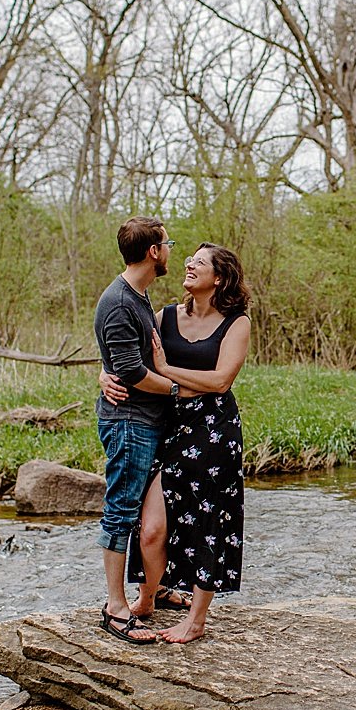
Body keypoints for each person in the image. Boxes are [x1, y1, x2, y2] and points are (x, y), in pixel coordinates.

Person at [101, 242, 251, 644]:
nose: (188, 263)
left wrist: (166, 369)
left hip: (213, 431)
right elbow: (126, 354)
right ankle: (148, 596)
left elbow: (221, 381)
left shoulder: (236, 323)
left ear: (218, 278)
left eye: (198, 262)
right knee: (149, 529)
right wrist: (105, 374)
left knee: (207, 523)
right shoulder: (164, 315)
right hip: (166, 426)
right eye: (188, 259)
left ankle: (197, 619)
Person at [91, 216, 180, 645]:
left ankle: (152, 588)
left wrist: (104, 371)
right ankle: (114, 607)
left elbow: (117, 361)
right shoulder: (120, 301)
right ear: (152, 252)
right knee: (122, 511)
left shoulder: (138, 297)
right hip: (129, 423)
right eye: (168, 244)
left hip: (146, 422)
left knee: (150, 512)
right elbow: (129, 370)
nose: (170, 252)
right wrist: (179, 389)